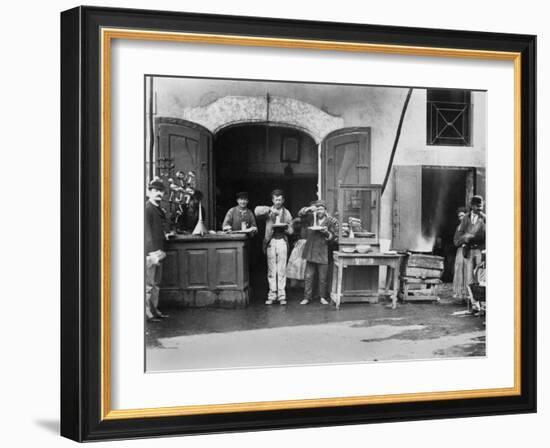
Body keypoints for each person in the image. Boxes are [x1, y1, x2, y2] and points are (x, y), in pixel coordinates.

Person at [254, 189, 293, 305]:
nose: (278, 202)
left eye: (280, 200)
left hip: (282, 241)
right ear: (272, 200)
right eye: (276, 199)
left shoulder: (287, 213)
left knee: (281, 269)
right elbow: (256, 211)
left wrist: (285, 227)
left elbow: (291, 231)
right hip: (271, 241)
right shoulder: (268, 212)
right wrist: (270, 209)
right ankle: (272, 294)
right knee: (271, 270)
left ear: (283, 200)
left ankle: (281, 296)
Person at [298, 200, 339, 305]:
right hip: (311, 250)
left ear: (325, 210)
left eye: (321, 209)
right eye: (317, 209)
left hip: (323, 251)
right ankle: (307, 297)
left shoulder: (330, 221)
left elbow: (333, 237)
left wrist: (326, 233)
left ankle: (322, 297)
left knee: (323, 277)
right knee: (308, 276)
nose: (319, 211)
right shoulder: (311, 218)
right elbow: (300, 214)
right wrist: (308, 209)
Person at [454, 195, 486, 310]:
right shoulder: (465, 219)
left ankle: (483, 304)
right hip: (468, 251)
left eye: (481, 206)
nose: (480, 209)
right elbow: (460, 234)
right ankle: (474, 303)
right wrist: (464, 239)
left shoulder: (485, 219)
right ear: (472, 206)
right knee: (469, 278)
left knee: (481, 279)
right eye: (478, 207)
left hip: (479, 251)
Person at [145, 179, 171, 321]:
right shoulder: (147, 208)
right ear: (148, 192)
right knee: (149, 285)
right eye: (155, 191)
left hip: (159, 250)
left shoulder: (158, 209)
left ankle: (154, 312)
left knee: (155, 284)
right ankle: (148, 314)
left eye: (161, 191)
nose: (159, 194)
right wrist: (151, 252)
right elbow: (145, 232)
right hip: (151, 252)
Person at [452, 207, 468, 300]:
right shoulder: (458, 228)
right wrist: (461, 242)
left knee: (467, 270)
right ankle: (459, 294)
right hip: (460, 251)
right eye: (459, 216)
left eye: (462, 215)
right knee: (458, 270)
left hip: (468, 251)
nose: (461, 218)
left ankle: (467, 294)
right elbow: (455, 241)